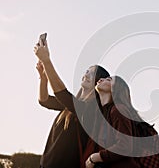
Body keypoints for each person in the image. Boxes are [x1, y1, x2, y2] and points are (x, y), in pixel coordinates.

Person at [34, 39, 110, 168]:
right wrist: (43, 78)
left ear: (98, 81)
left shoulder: (92, 110)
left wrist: (47, 61)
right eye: (87, 71)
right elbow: (44, 100)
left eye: (92, 73)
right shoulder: (73, 104)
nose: (86, 74)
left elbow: (62, 94)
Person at [84, 76, 143, 168]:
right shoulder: (106, 113)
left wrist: (95, 157)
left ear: (116, 89)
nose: (101, 79)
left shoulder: (118, 110)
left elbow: (124, 146)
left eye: (109, 79)